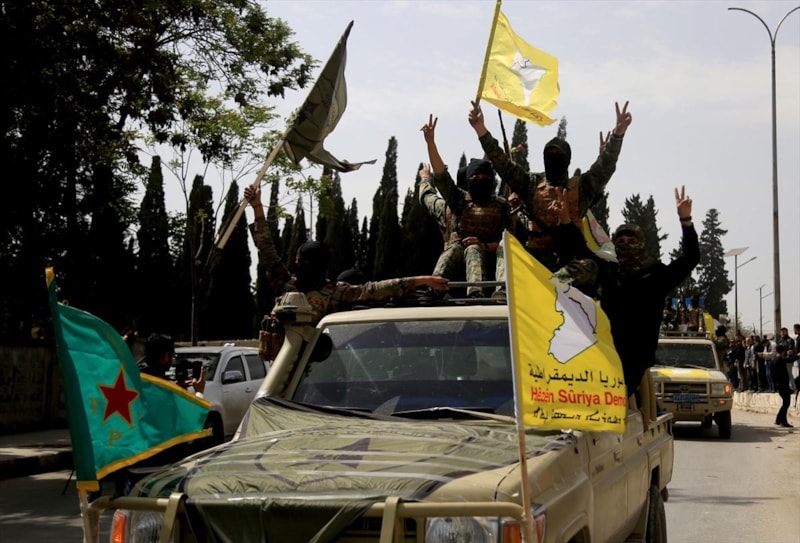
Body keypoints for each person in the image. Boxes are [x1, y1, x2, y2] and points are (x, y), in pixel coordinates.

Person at [244, 184, 450, 328]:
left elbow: (374, 290)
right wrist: (257, 207)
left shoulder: (335, 292)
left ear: (319, 266)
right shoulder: (286, 285)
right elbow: (267, 250)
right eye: (298, 261)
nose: (299, 266)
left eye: (305, 262)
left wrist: (421, 280)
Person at [467, 99, 631, 272]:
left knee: (587, 269)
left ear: (567, 159)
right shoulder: (531, 184)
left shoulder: (581, 187)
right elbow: (502, 164)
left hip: (569, 261)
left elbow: (604, 168)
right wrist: (481, 130)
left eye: (558, 154)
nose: (554, 158)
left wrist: (617, 136)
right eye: (550, 154)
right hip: (534, 262)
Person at [420, 115, 511, 298]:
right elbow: (441, 176)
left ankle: (493, 290)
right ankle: (435, 287)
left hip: (492, 257)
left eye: (485, 178)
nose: (481, 181)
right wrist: (431, 143)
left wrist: (484, 245)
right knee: (456, 248)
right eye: (476, 178)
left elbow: (510, 241)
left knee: (475, 249)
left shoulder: (501, 206)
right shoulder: (459, 200)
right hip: (459, 256)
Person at [771, 344, 793, 427]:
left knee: (785, 403)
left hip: (779, 384)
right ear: (783, 351)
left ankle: (780, 420)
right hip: (783, 384)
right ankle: (781, 420)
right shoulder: (780, 359)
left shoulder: (774, 359)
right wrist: (798, 356)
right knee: (786, 403)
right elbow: (789, 360)